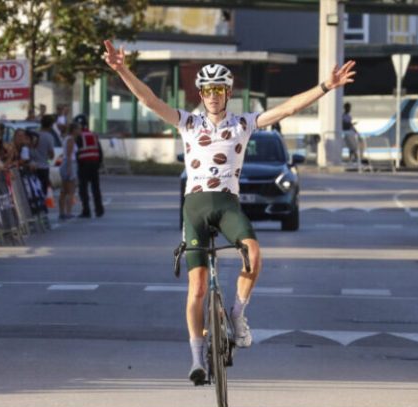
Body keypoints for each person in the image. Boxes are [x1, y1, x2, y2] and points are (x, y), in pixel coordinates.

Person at [102, 39, 356, 385]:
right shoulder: (187, 123)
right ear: (200, 94)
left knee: (253, 252)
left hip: (226, 204)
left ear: (229, 92)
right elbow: (149, 99)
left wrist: (326, 86)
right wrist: (121, 69)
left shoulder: (243, 123)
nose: (214, 95)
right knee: (197, 288)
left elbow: (287, 110)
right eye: (208, 90)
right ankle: (196, 360)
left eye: (220, 89)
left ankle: (237, 313)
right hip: (194, 206)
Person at [73, 114, 105, 218]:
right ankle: (99, 209)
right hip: (94, 164)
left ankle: (86, 210)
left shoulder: (78, 136)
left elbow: (76, 151)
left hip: (83, 164)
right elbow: (99, 150)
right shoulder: (93, 134)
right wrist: (99, 163)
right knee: (95, 188)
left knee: (83, 188)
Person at [58, 122, 80, 220]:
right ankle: (68, 212)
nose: (79, 131)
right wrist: (69, 169)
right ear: (74, 130)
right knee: (70, 190)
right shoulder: (71, 139)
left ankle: (62, 212)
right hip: (69, 164)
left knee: (64, 190)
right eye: (78, 129)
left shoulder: (67, 138)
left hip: (66, 164)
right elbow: (69, 155)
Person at [31, 115, 56, 200]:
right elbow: (51, 154)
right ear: (51, 125)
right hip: (43, 166)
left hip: (32, 165)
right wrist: (49, 158)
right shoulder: (49, 137)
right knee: (43, 188)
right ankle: (42, 205)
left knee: (34, 188)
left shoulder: (35, 134)